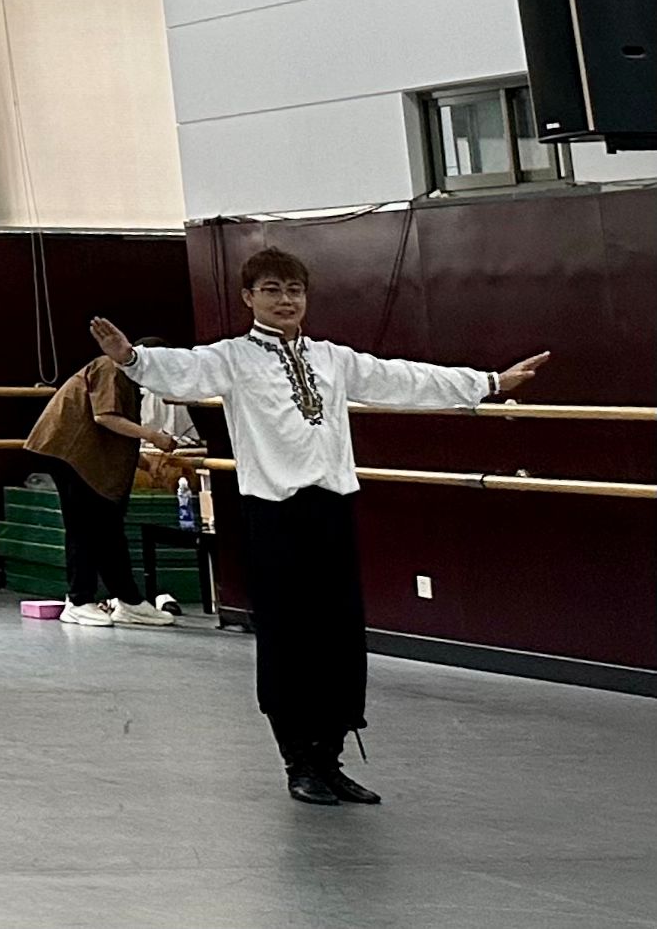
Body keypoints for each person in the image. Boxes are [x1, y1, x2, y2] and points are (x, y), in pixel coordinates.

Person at [98, 251, 545, 806]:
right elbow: (184, 369)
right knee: (288, 638)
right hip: (274, 513)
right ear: (249, 297)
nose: (285, 300)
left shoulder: (332, 358)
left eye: (294, 290)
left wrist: (489, 381)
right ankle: (298, 762)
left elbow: (400, 378)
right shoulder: (233, 358)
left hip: (331, 509)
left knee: (338, 636)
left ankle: (330, 758)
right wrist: (132, 358)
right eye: (272, 290)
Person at [24, 342, 193, 629]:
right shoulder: (110, 368)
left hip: (86, 457)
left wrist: (145, 463)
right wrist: (154, 436)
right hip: (72, 454)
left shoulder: (128, 381)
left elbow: (114, 434)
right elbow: (105, 417)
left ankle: (128, 600)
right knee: (85, 528)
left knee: (108, 530)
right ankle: (79, 601)